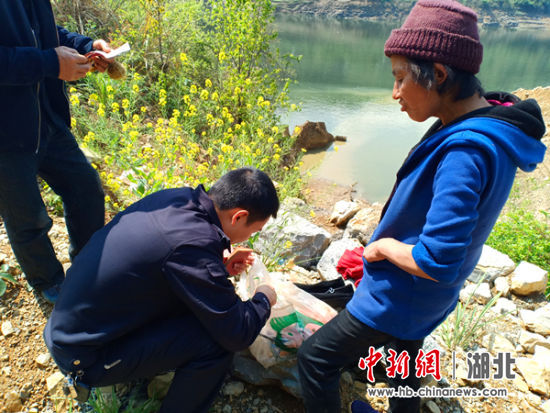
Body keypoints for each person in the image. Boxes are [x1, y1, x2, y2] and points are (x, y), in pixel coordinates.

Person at [297, 1, 546, 413]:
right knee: (404, 362)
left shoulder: (466, 150)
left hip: (401, 294)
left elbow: (437, 260)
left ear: (441, 74)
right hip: (428, 298)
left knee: (317, 360)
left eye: (400, 78)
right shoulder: (488, 126)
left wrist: (380, 249)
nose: (394, 93)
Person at [44, 167, 279, 413]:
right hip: (86, 358)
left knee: (205, 309)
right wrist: (264, 297)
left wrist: (217, 265)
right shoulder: (192, 246)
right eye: (252, 231)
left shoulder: (177, 198)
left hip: (67, 329)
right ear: (238, 216)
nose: (247, 238)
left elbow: (165, 260)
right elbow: (236, 332)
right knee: (217, 341)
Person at [0, 1, 112, 303]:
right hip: (6, 136)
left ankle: (86, 266)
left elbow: (45, 33)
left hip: (46, 118)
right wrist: (49, 63)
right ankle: (47, 280)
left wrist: (87, 45)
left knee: (86, 188)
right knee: (27, 217)